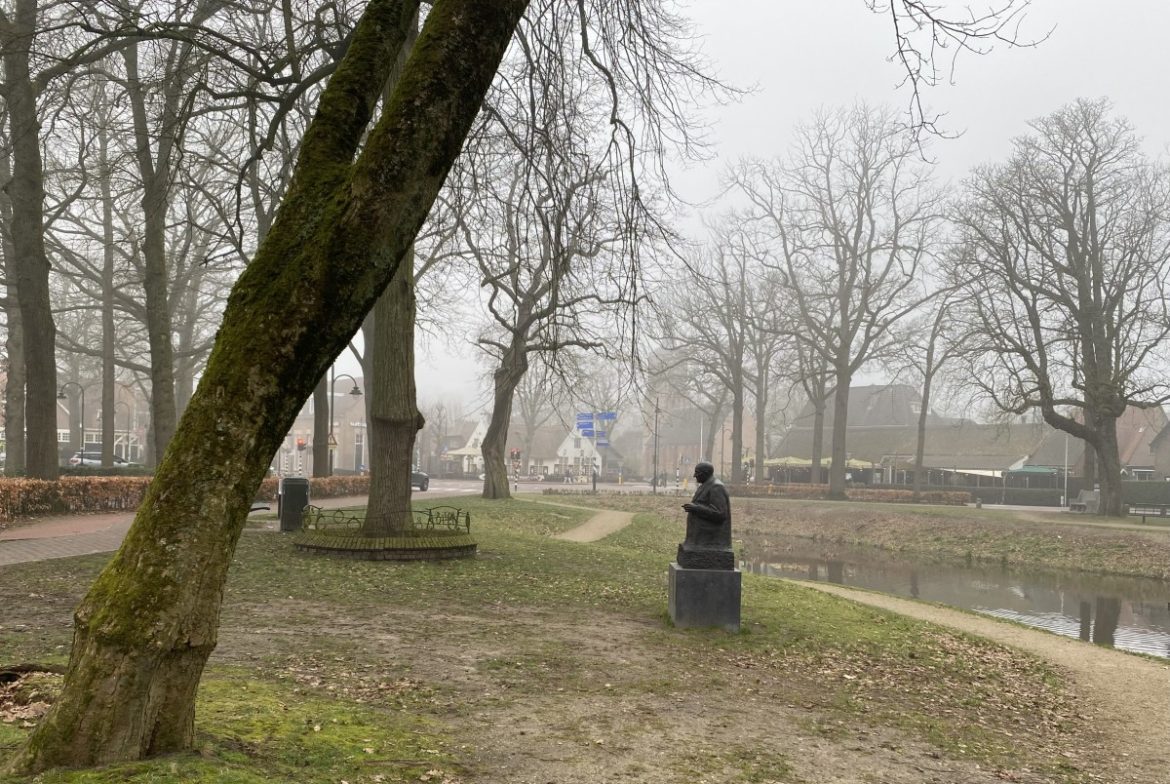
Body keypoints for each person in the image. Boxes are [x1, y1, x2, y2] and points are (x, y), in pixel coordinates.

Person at [677, 461, 734, 570]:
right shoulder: (706, 485)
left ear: (705, 473)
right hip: (700, 539)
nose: (694, 476)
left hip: (712, 541)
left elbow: (721, 514)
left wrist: (696, 508)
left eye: (697, 473)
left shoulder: (716, 487)